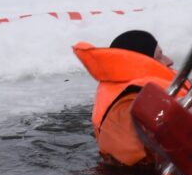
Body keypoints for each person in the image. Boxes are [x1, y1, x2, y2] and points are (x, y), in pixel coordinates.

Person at [73, 30, 183, 166]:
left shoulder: (135, 93)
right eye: (159, 56)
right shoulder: (128, 103)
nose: (169, 61)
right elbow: (133, 158)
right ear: (143, 63)